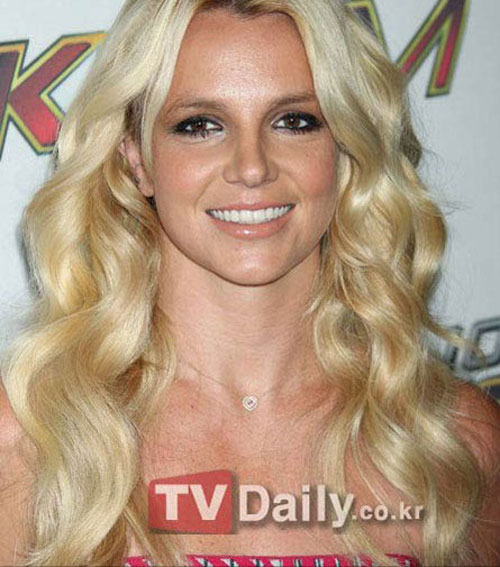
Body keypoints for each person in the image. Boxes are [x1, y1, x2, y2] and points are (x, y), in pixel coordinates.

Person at [0, 0, 499, 566]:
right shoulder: (34, 440)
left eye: (294, 121)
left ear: (344, 149)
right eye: (200, 125)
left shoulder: (454, 440)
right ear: (136, 158)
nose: (252, 167)